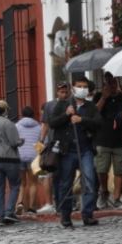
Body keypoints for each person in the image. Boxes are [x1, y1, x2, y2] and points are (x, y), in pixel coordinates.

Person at [50, 76, 102, 228]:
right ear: (73, 88)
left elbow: (98, 123)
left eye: (85, 86)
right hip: (67, 151)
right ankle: (65, 216)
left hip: (85, 149)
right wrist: (66, 115)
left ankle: (87, 213)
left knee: (90, 180)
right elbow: (52, 123)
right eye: (79, 86)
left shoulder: (90, 107)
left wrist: (82, 120)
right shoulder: (63, 104)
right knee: (66, 183)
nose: (82, 89)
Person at [93, 72, 122, 209]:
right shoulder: (98, 96)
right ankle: (104, 191)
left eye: (114, 83)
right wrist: (104, 97)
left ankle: (116, 197)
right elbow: (94, 113)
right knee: (101, 169)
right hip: (102, 138)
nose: (112, 86)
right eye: (109, 83)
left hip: (119, 138)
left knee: (119, 170)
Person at [42, 81, 71, 215]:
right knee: (55, 174)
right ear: (57, 92)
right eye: (61, 91)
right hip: (54, 144)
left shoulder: (72, 104)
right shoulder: (49, 106)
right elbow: (46, 124)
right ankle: (58, 202)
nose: (63, 94)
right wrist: (42, 141)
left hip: (70, 143)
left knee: (69, 174)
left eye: (66, 91)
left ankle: (68, 202)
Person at [16, 106, 44, 216]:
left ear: (22, 114)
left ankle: (20, 203)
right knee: (33, 183)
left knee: (22, 183)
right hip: (33, 158)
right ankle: (32, 207)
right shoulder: (39, 127)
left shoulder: (17, 126)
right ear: (33, 115)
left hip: (20, 156)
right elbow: (40, 143)